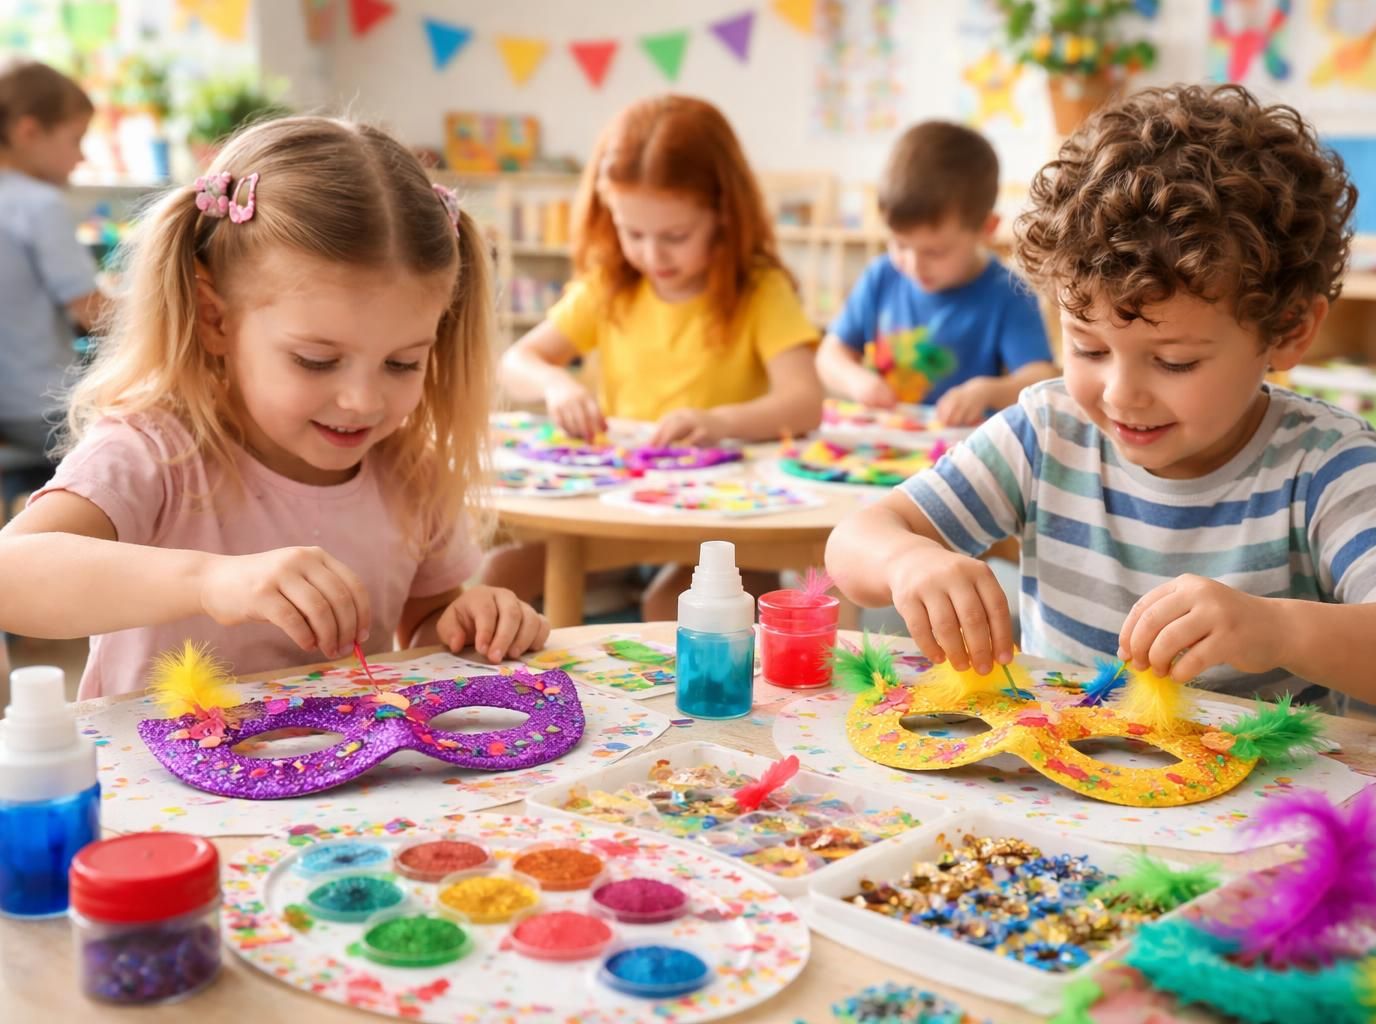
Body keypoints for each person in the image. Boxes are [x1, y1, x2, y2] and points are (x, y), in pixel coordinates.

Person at [826, 85, 1376, 712]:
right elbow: (855, 542)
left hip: (1252, 815)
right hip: (1061, 791)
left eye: (1175, 361)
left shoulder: (1320, 464)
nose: (1119, 394)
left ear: (1287, 331)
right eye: (1087, 347)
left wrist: (1279, 630)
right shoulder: (1047, 431)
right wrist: (910, 560)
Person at [0, 115, 548, 698]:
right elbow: (13, 576)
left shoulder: (409, 470)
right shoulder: (152, 451)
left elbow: (426, 620)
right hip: (161, 788)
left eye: (402, 363)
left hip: (351, 785)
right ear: (216, 319)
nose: (362, 401)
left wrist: (468, 622)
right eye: (315, 360)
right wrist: (211, 580)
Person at [491, 95, 822, 619]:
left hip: (726, 512)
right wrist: (559, 384)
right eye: (632, 232)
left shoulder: (758, 289)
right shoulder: (612, 284)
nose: (651, 255)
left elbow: (805, 401)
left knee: (676, 608)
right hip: (620, 498)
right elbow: (517, 360)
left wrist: (716, 422)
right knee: (501, 576)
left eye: (674, 236)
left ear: (723, 213)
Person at [816, 120, 1054, 427]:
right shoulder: (881, 277)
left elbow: (1040, 377)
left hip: (961, 451)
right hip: (884, 443)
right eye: (900, 244)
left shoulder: (1007, 293)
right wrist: (857, 381)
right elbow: (829, 355)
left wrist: (987, 392)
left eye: (935, 252)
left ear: (987, 229)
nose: (913, 264)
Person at [0, 60, 109, 512]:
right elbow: (95, 312)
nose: (82, 157)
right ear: (29, 132)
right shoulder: (38, 205)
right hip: (41, 408)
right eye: (75, 139)